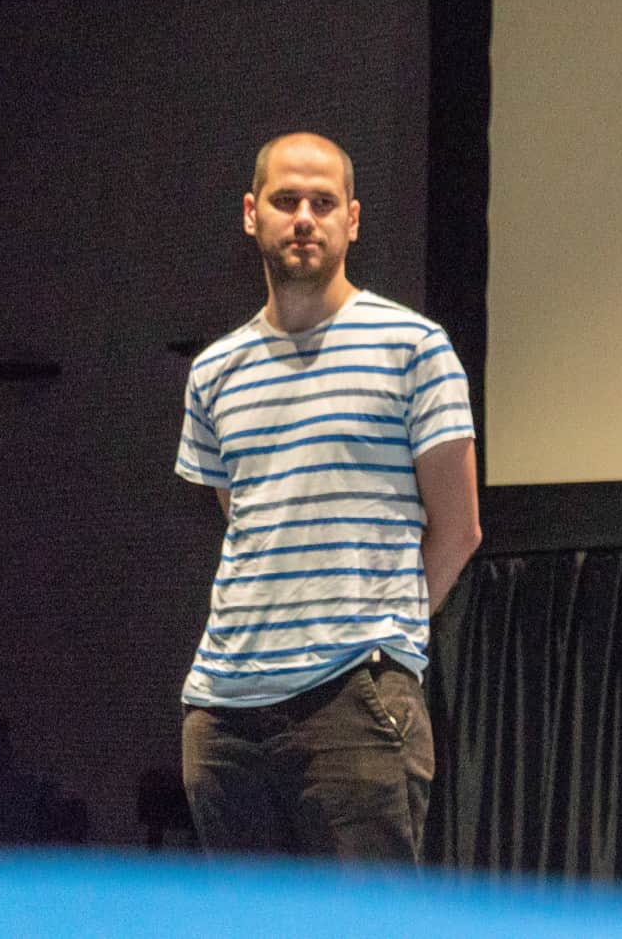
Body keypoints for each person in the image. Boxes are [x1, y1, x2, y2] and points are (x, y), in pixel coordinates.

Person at [174, 132, 481, 861]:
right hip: (224, 711)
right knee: (248, 919)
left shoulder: (414, 347)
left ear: (353, 219)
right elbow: (245, 522)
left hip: (355, 699)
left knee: (366, 918)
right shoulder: (215, 371)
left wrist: (382, 632)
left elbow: (459, 528)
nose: (304, 218)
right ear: (252, 214)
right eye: (286, 200)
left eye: (323, 202)